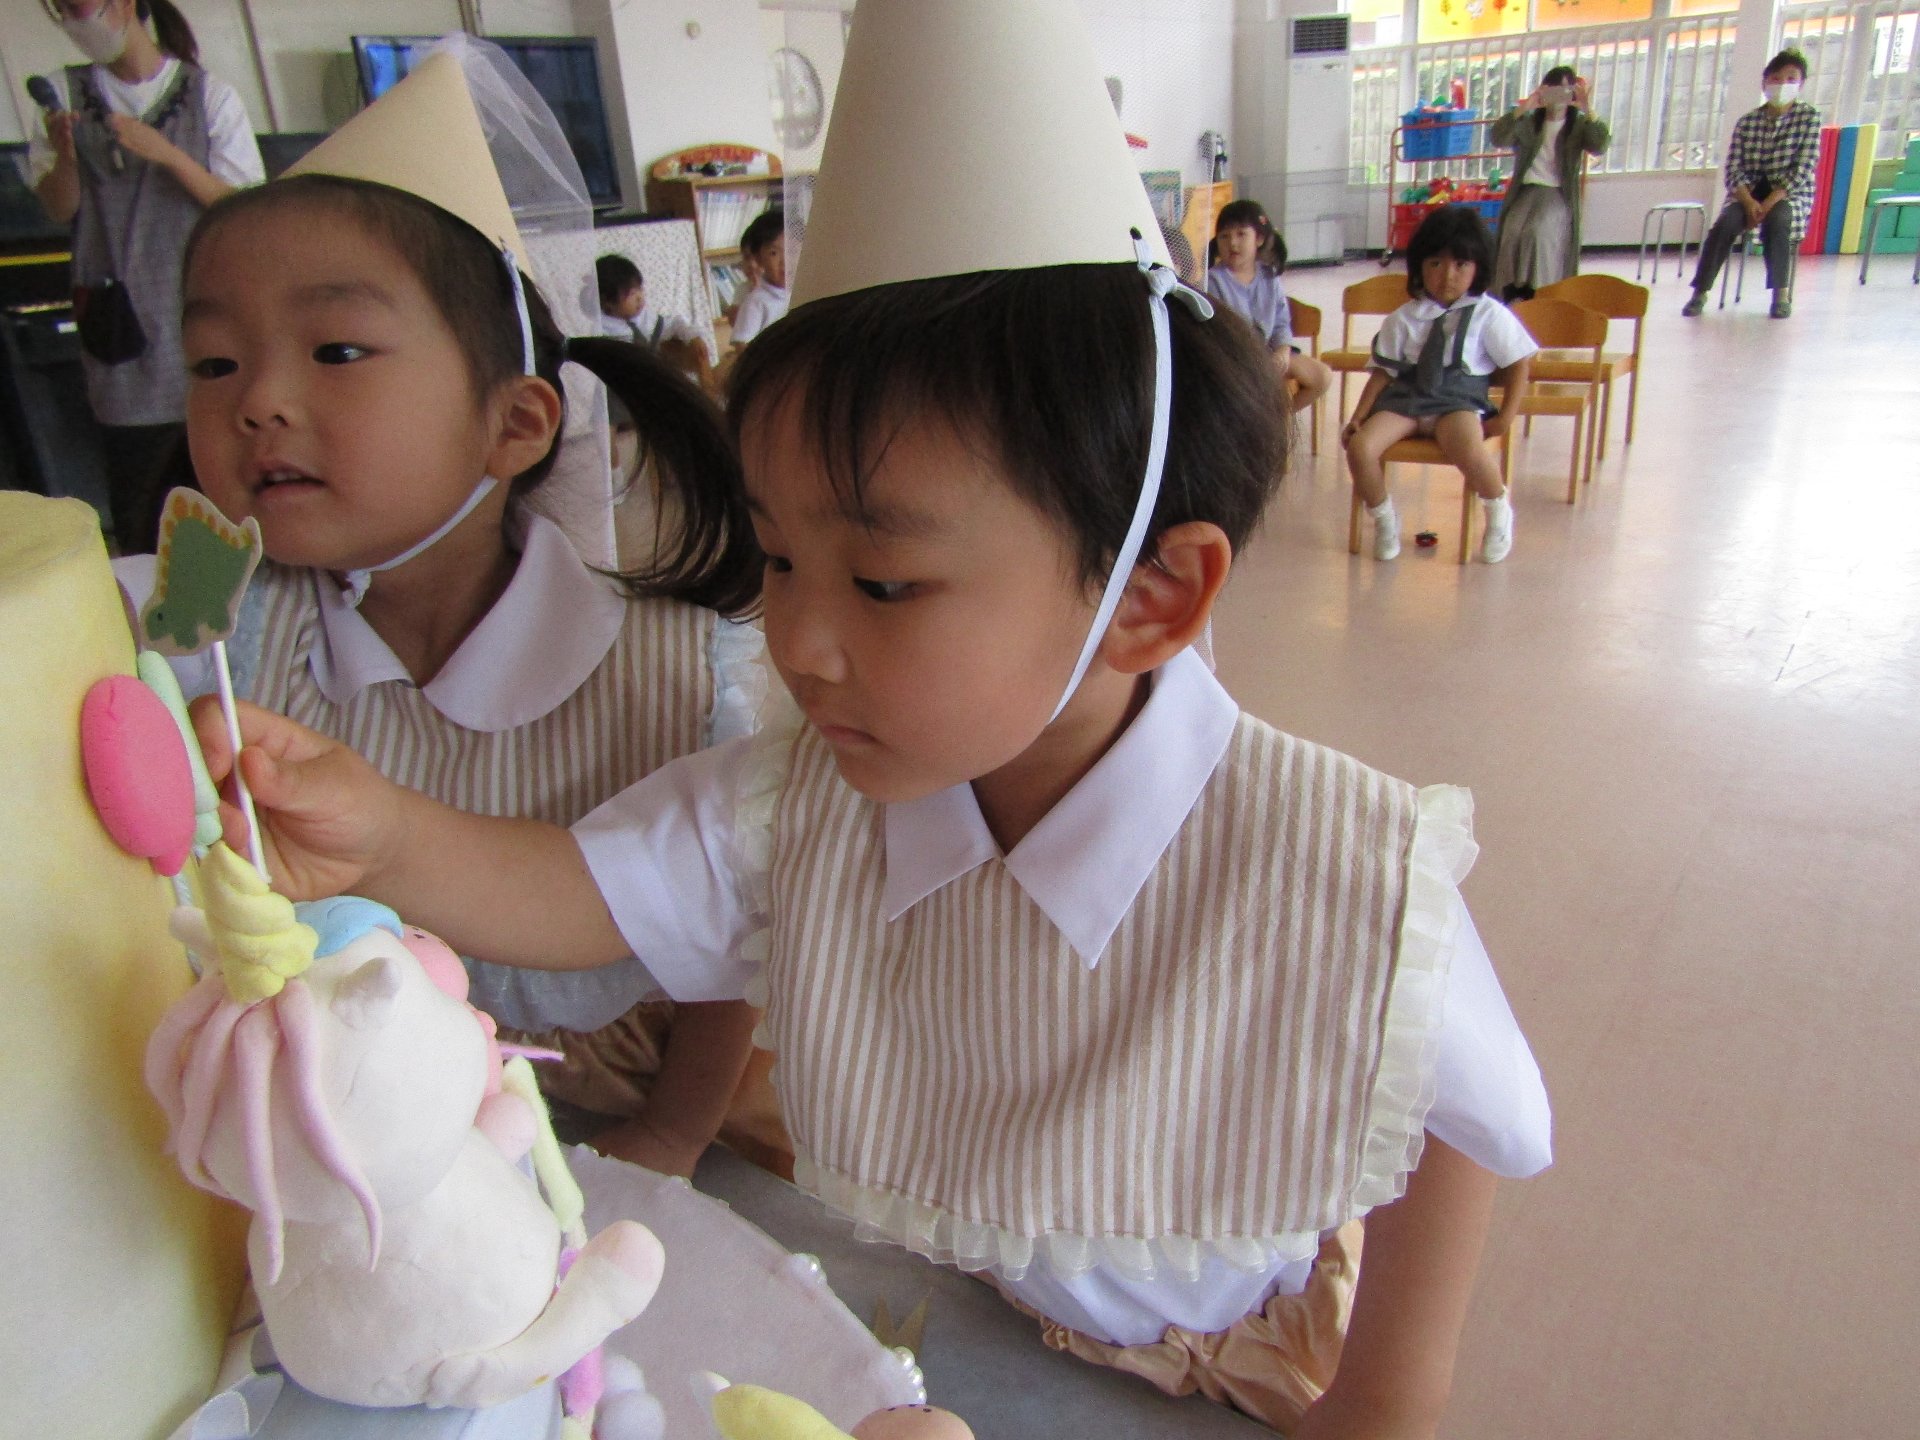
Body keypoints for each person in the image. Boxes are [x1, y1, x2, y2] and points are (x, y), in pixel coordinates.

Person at [191, 2, 1552, 1432]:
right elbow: (571, 890)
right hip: (949, 1315)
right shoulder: (804, 807)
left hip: (1229, 1359)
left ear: (1152, 598)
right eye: (780, 558)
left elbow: (1467, 1121)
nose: (801, 640)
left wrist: (1390, 1391)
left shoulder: (1332, 865)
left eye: (887, 580)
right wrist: (378, 826)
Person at [124, 51, 781, 1181]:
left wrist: (671, 1134)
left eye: (335, 352)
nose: (258, 402)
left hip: (651, 1116)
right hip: (351, 1137)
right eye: (215, 360)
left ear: (516, 425)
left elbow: (732, 945)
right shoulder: (222, 657)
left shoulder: (680, 670)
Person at [30, 0, 264, 552]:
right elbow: (60, 209)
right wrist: (65, 156)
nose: (73, 19)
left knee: (226, 504)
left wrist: (169, 156)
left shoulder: (209, 95)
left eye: (79, 6)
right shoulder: (64, 96)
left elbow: (244, 208)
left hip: (203, 321)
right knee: (143, 513)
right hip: (120, 332)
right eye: (61, 11)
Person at [1343, 206, 1536, 564]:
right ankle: (1385, 517)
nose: (1447, 275)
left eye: (1460, 265)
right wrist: (1359, 416)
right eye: (1435, 264)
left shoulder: (1488, 313)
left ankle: (1497, 510)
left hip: (1457, 401)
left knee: (1467, 447)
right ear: (1419, 266)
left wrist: (1507, 417)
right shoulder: (1405, 317)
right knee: (1361, 447)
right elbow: (1383, 372)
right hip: (1406, 399)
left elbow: (1519, 363)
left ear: (1478, 267)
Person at [1682, 48, 1820, 320]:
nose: (1783, 85)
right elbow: (1733, 168)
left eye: (1791, 79)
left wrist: (1769, 202)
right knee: (1725, 224)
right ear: (1765, 83)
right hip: (1748, 191)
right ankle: (1700, 291)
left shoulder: (1809, 118)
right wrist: (1747, 201)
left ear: (1801, 84)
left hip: (1788, 192)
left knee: (1780, 221)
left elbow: (1805, 166)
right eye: (1776, 79)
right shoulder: (1748, 122)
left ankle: (1780, 294)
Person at [1488, 66, 1611, 301]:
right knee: (1512, 232)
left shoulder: (1578, 125)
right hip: (1526, 189)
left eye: (1567, 90)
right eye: (1554, 90)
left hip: (1557, 192)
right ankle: (1507, 294)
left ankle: (1539, 293)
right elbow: (1498, 138)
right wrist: (1526, 107)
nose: (1559, 97)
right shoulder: (1530, 122)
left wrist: (1587, 107)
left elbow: (1600, 144)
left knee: (1538, 232)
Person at [1205, 199, 1332, 416]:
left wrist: (1283, 352)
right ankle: (1259, 424)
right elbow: (1217, 333)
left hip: (1270, 356)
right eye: (1224, 236)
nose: (1232, 243)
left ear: (1259, 239)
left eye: (1241, 234)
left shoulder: (1268, 277)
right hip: (1236, 361)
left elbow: (1282, 322)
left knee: (1322, 376)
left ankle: (1276, 420)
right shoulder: (1213, 280)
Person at [595, 252, 703, 349]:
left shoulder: (648, 319)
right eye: (632, 294)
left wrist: (691, 335)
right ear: (608, 301)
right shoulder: (600, 331)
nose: (640, 297)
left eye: (640, 289)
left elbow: (673, 324)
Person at [729, 208, 788, 347]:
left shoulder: (806, 294)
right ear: (759, 259)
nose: (785, 262)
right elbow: (743, 347)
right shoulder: (756, 302)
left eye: (792, 250)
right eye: (774, 253)